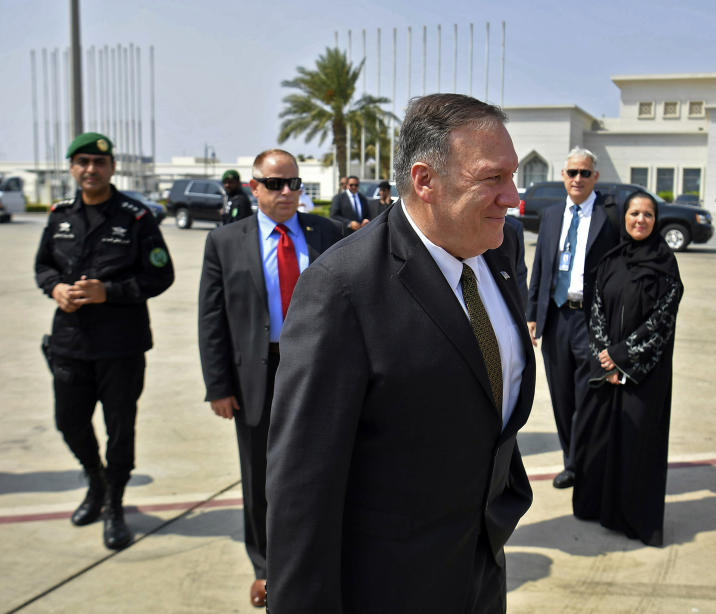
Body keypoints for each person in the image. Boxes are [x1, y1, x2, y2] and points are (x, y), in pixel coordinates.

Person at [266, 93, 535, 613]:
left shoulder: (499, 248)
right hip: (390, 586)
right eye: (492, 178)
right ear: (424, 180)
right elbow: (303, 488)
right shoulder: (342, 289)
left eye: (513, 175)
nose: (513, 197)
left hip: (482, 568)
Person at [198, 149, 341, 607]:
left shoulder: (327, 233)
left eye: (294, 184)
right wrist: (218, 385)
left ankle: (319, 556)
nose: (287, 193)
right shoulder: (225, 242)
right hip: (256, 377)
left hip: (317, 372)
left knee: (323, 469)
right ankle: (267, 568)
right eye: (276, 184)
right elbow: (212, 319)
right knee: (260, 477)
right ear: (253, 187)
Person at [34, 132, 174, 550]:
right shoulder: (59, 215)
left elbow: (159, 276)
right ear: (73, 168)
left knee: (120, 429)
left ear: (112, 168)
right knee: (69, 422)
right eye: (82, 162)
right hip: (69, 343)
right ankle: (94, 480)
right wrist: (55, 288)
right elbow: (43, 267)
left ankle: (114, 503)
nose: (90, 169)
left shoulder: (135, 217)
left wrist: (109, 293)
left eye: (98, 162)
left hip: (121, 346)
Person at [575, 190, 682, 546]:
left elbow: (662, 321)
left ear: (657, 221)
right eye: (634, 213)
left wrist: (623, 356)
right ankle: (601, 510)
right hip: (608, 368)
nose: (640, 220)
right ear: (624, 217)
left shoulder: (665, 265)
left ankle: (635, 520)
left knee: (637, 446)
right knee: (602, 440)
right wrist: (604, 356)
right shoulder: (611, 259)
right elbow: (597, 311)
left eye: (648, 215)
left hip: (644, 373)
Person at [526, 147, 619, 489]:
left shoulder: (609, 216)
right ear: (563, 177)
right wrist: (533, 312)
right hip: (556, 318)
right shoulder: (551, 216)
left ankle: (588, 462)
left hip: (592, 321)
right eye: (572, 172)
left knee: (588, 398)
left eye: (584, 173)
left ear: (595, 177)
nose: (577, 178)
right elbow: (542, 266)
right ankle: (571, 463)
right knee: (563, 397)